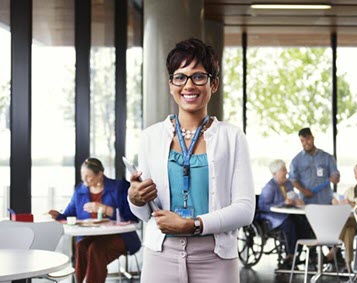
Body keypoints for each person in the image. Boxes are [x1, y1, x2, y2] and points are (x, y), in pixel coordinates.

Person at [127, 38, 255, 283]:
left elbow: (245, 210)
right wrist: (135, 198)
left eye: (198, 77)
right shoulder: (150, 137)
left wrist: (194, 225)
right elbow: (144, 214)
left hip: (216, 259)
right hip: (160, 256)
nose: (188, 85)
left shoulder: (232, 137)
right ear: (171, 83)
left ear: (213, 83)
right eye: (180, 77)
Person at [49, 158, 141, 283]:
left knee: (95, 250)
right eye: (83, 176)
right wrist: (58, 216)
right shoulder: (80, 191)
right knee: (81, 246)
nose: (84, 180)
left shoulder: (119, 187)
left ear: (100, 174)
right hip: (91, 237)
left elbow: (132, 217)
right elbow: (69, 215)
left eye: (88, 176)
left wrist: (106, 209)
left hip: (121, 236)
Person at [258, 159, 306, 268]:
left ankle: (298, 252)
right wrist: (282, 203)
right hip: (273, 216)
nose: (286, 172)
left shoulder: (288, 184)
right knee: (290, 225)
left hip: (288, 213)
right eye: (283, 170)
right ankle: (290, 254)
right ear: (275, 173)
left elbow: (293, 195)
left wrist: (297, 200)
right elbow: (263, 206)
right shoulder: (269, 187)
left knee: (303, 222)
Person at [289, 127, 340, 205]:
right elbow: (293, 180)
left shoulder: (327, 157)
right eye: (302, 141)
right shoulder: (296, 161)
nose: (306, 143)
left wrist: (335, 178)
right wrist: (303, 191)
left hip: (325, 201)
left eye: (308, 139)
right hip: (306, 202)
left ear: (313, 138)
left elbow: (335, 175)